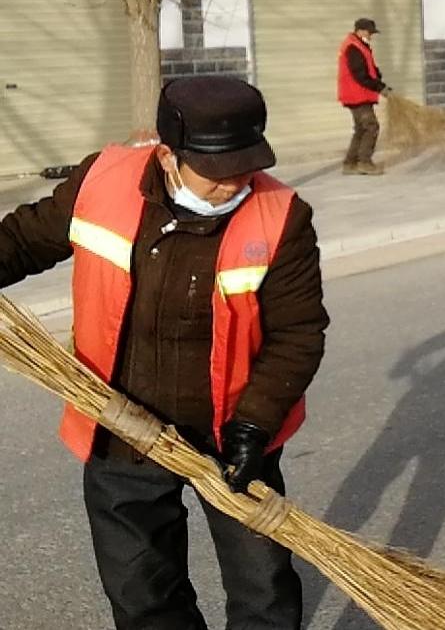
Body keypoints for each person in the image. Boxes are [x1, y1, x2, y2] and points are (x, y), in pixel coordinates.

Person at [0, 76, 329, 630]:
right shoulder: (103, 183)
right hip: (120, 430)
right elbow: (24, 240)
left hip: (230, 436)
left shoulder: (282, 217)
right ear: (168, 156)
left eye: (246, 166)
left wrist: (253, 426)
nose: (233, 183)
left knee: (264, 591)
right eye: (216, 171)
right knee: (143, 595)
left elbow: (298, 333)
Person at [338, 17, 389, 176]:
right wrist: (380, 88)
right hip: (357, 95)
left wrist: (379, 80)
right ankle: (364, 162)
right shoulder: (353, 48)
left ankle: (350, 163)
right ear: (360, 31)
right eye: (369, 32)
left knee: (361, 129)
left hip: (358, 94)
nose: (371, 36)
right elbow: (360, 75)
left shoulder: (360, 46)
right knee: (371, 127)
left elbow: (370, 69)